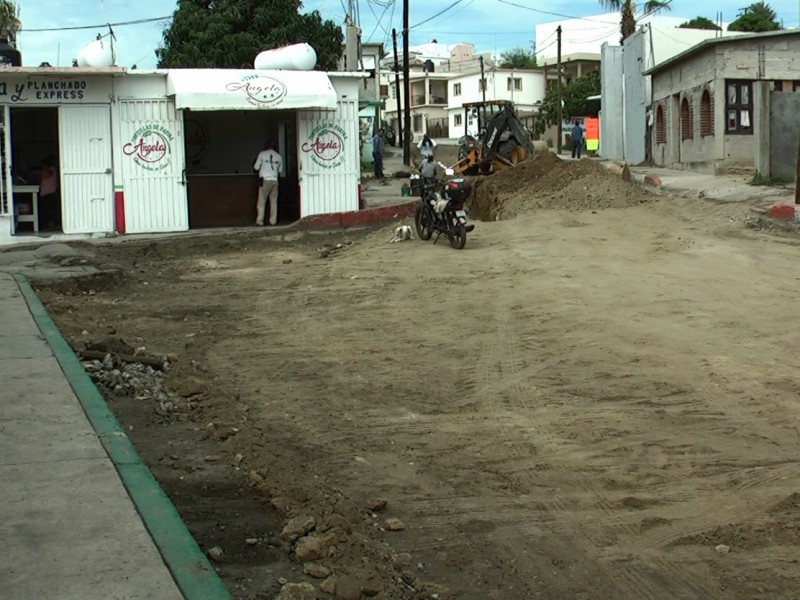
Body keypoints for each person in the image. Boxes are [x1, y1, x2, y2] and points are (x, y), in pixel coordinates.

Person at [253, 140, 283, 226]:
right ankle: (273, 221)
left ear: (266, 146)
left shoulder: (262, 154)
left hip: (265, 179)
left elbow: (256, 167)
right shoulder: (279, 156)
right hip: (274, 180)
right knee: (274, 201)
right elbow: (280, 170)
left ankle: (260, 221)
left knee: (261, 201)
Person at [38, 155, 60, 231]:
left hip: (49, 193)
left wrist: (43, 169)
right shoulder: (50, 170)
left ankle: (51, 225)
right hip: (46, 193)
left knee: (50, 210)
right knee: (47, 210)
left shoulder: (51, 170)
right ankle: (49, 225)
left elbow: (45, 175)